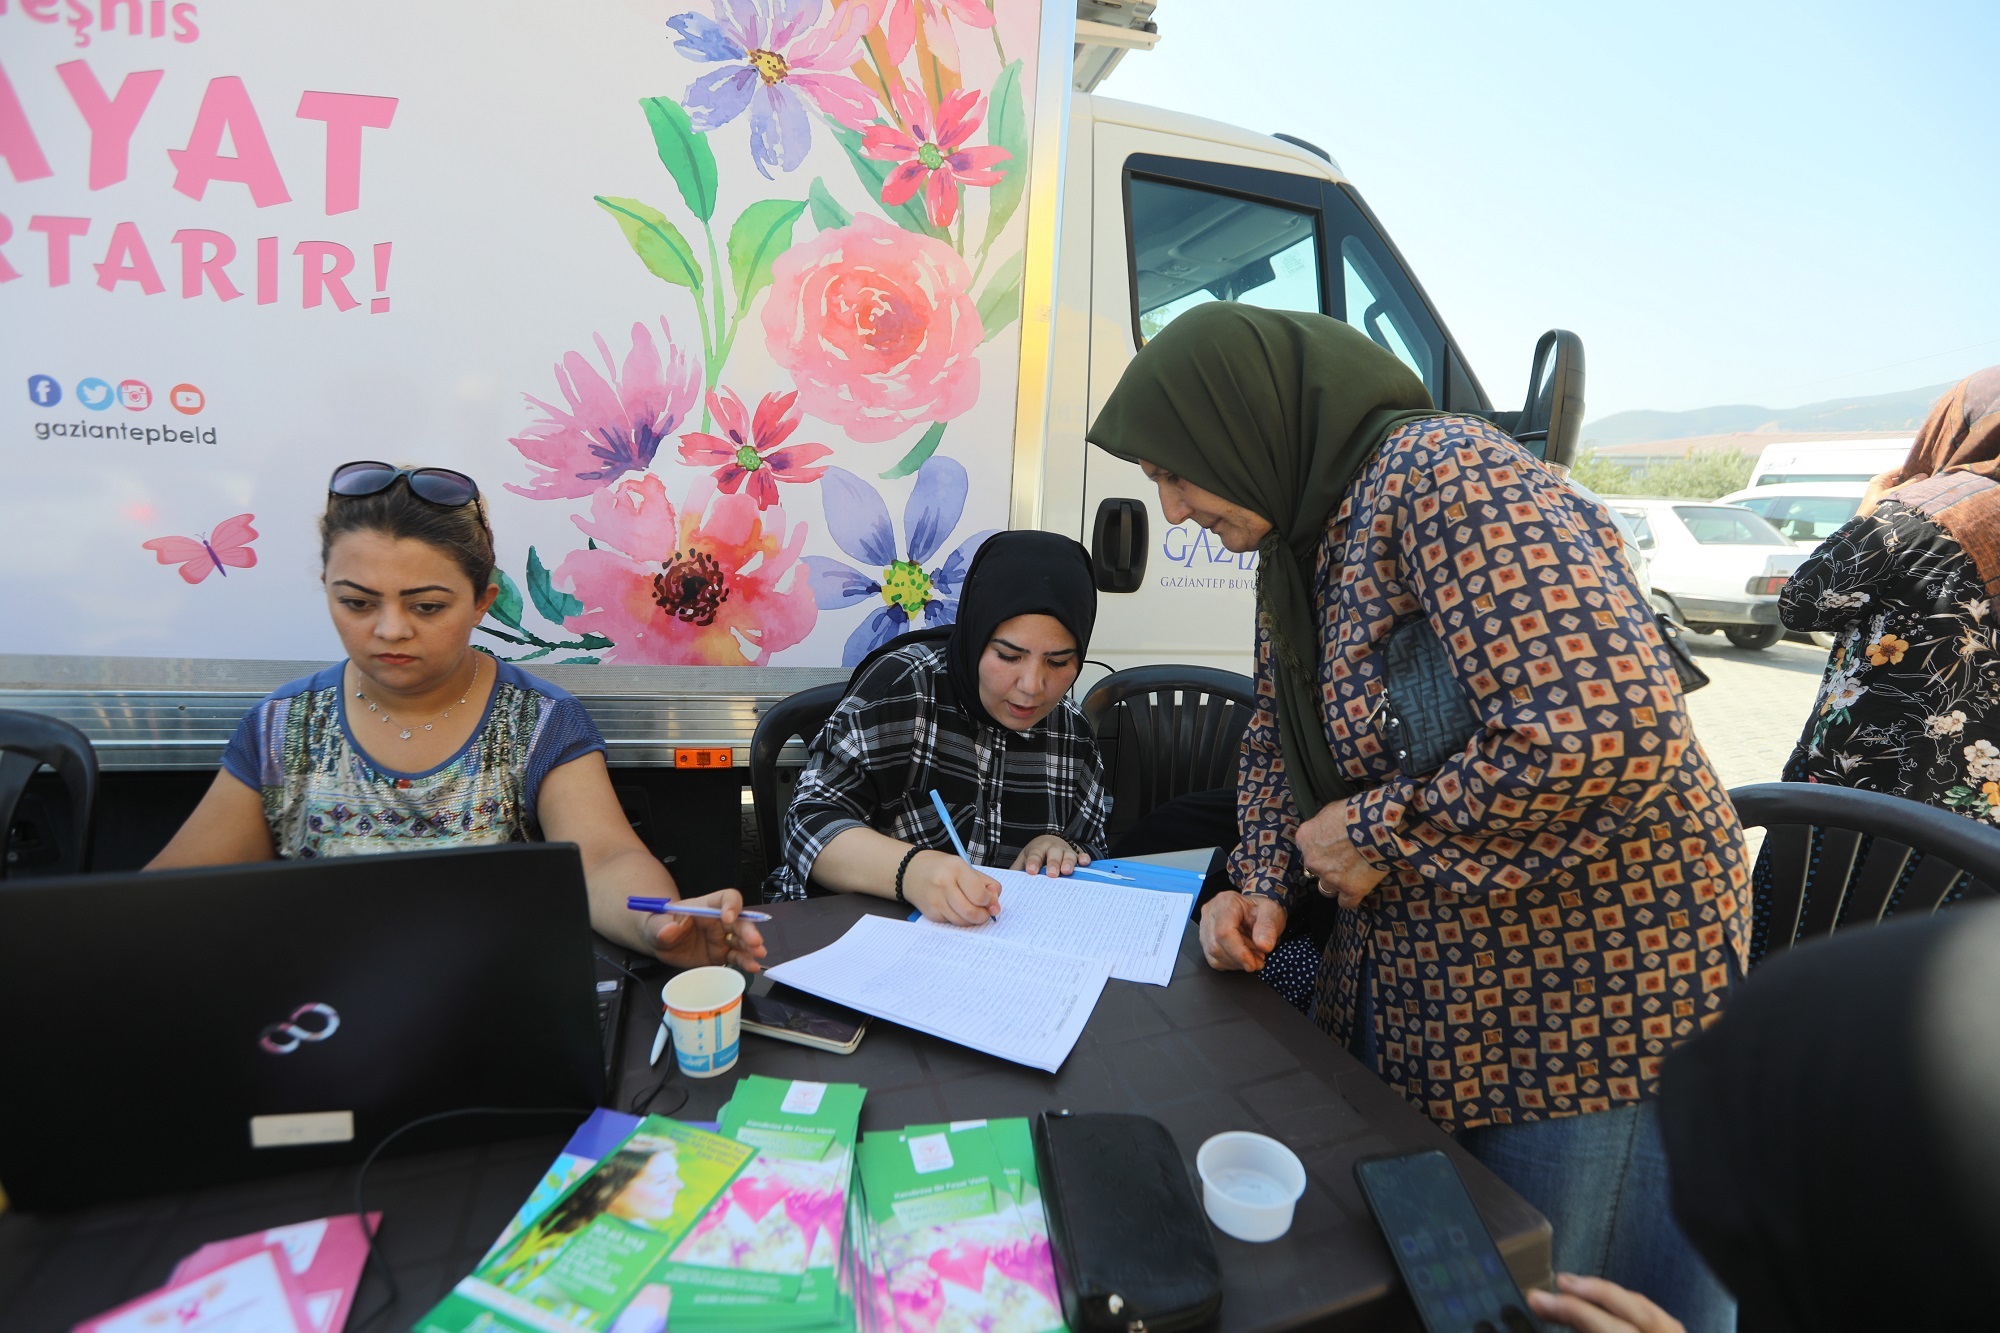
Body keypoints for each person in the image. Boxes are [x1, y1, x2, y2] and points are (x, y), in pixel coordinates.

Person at [1087, 303, 1747, 1331]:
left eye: (1177, 471)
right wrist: (1257, 882)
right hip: (1441, 990)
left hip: (1580, 1008)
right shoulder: (1298, 543)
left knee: (1557, 1285)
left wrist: (1376, 831)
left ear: (1246, 424)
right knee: (1464, 1283)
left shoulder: (1445, 477)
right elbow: (1274, 736)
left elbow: (1600, 728)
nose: (1169, 510)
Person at [148, 461, 763, 972]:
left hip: (488, 1004)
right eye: (356, 602)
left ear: (481, 603)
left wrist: (660, 922)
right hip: (320, 1013)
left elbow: (604, 860)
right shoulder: (284, 729)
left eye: (427, 605)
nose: (390, 629)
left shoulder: (536, 722)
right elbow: (171, 896)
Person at [1758, 368, 2000, 950]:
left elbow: (1801, 602)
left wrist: (1870, 508)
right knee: (1927, 982)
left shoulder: (1924, 509)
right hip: (1977, 827)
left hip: (1859, 797)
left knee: (1798, 952)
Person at [770, 531, 1109, 920]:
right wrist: (911, 871)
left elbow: (1095, 849)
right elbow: (808, 825)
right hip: (854, 934)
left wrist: (1060, 847)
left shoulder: (1071, 733)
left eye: (1058, 662)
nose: (1032, 687)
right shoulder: (906, 688)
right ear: (975, 634)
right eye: (1008, 656)